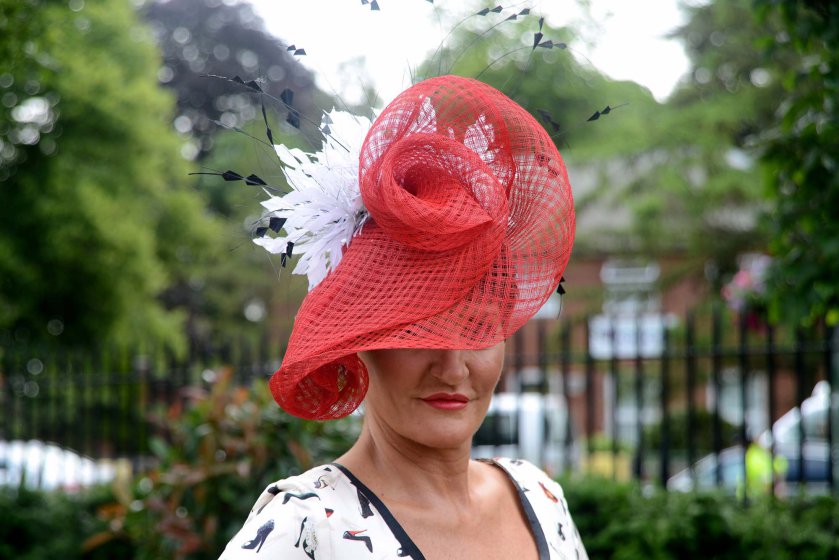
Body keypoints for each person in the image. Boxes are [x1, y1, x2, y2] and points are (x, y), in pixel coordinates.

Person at [219, 75, 586, 559]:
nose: (453, 367)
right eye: (418, 331)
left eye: (475, 328)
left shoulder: (540, 501)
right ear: (359, 340)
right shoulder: (305, 530)